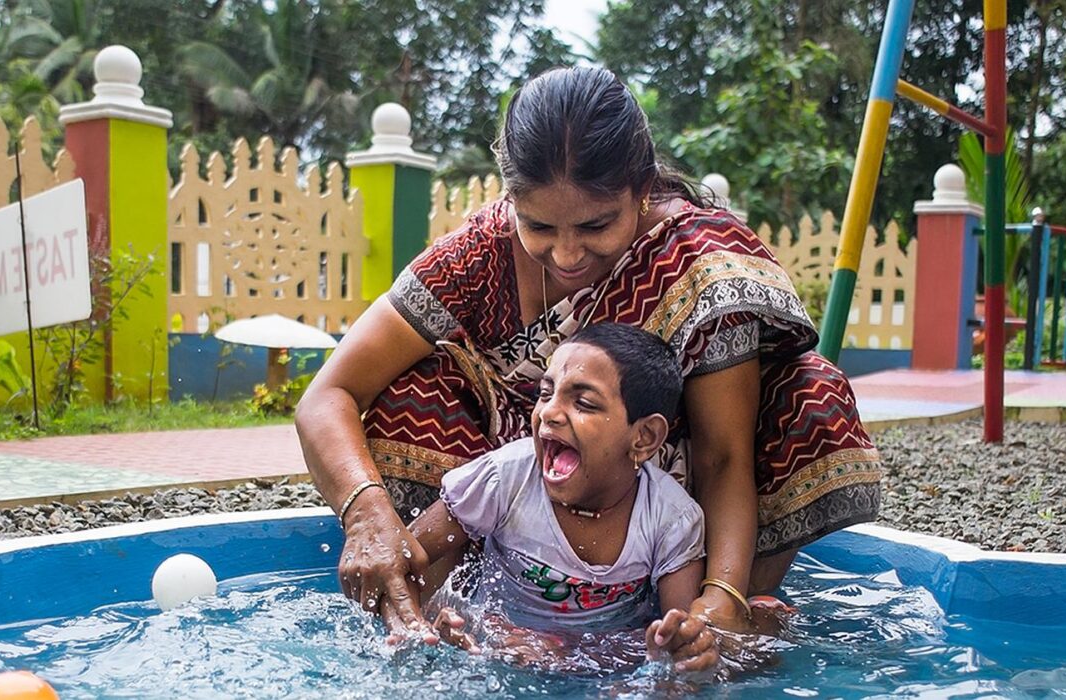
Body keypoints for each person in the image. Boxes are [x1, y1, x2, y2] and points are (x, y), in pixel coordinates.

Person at [295, 64, 881, 641]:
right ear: (511, 201)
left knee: (812, 395)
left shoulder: (695, 263)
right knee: (412, 393)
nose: (569, 256)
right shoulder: (476, 255)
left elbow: (724, 456)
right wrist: (367, 514)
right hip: (514, 492)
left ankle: (722, 619)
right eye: (540, 227)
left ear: (642, 189)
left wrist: (720, 593)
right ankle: (449, 605)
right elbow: (329, 394)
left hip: (655, 487)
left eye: (597, 225)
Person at [410, 323, 718, 673]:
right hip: (494, 659)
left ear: (644, 437)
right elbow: (400, 564)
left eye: (583, 403)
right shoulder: (505, 479)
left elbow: (679, 637)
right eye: (545, 393)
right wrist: (438, 625)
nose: (549, 413)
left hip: (604, 675)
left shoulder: (671, 518)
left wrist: (683, 654)